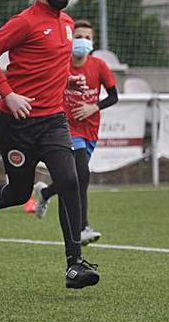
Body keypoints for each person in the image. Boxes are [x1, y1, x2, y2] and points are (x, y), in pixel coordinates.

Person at [0, 0, 99, 290]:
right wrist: (8, 94)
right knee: (20, 192)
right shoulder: (24, 22)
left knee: (70, 180)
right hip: (16, 122)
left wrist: (67, 81)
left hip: (53, 120)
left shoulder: (67, 23)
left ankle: (74, 264)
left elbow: (46, 66)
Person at [29, 20, 118, 246]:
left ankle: (45, 194)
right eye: (78, 36)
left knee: (74, 177)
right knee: (82, 174)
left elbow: (113, 96)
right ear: (70, 39)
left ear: (93, 42)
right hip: (66, 128)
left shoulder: (99, 66)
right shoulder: (62, 65)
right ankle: (82, 227)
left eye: (87, 38)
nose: (83, 41)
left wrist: (93, 107)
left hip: (90, 129)